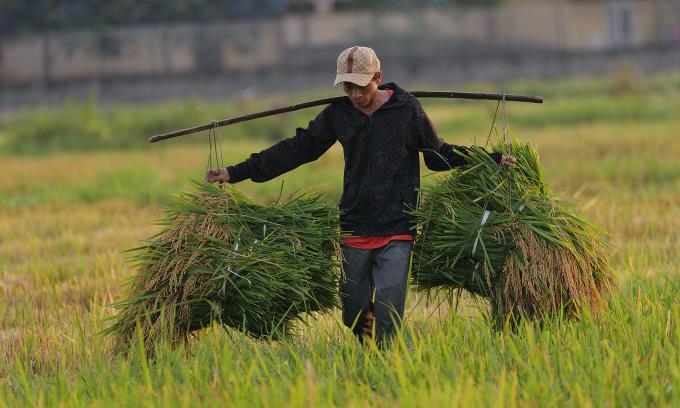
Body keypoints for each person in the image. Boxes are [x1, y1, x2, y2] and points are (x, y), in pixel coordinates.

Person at [206, 45, 516, 346]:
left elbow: (437, 154)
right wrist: (236, 172)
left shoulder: (406, 110)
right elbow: (299, 148)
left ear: (377, 78)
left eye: (361, 87)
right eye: (347, 88)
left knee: (387, 307)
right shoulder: (339, 114)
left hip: (398, 223)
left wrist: (490, 158)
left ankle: (383, 364)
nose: (355, 95)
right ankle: (367, 350)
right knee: (354, 312)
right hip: (355, 222)